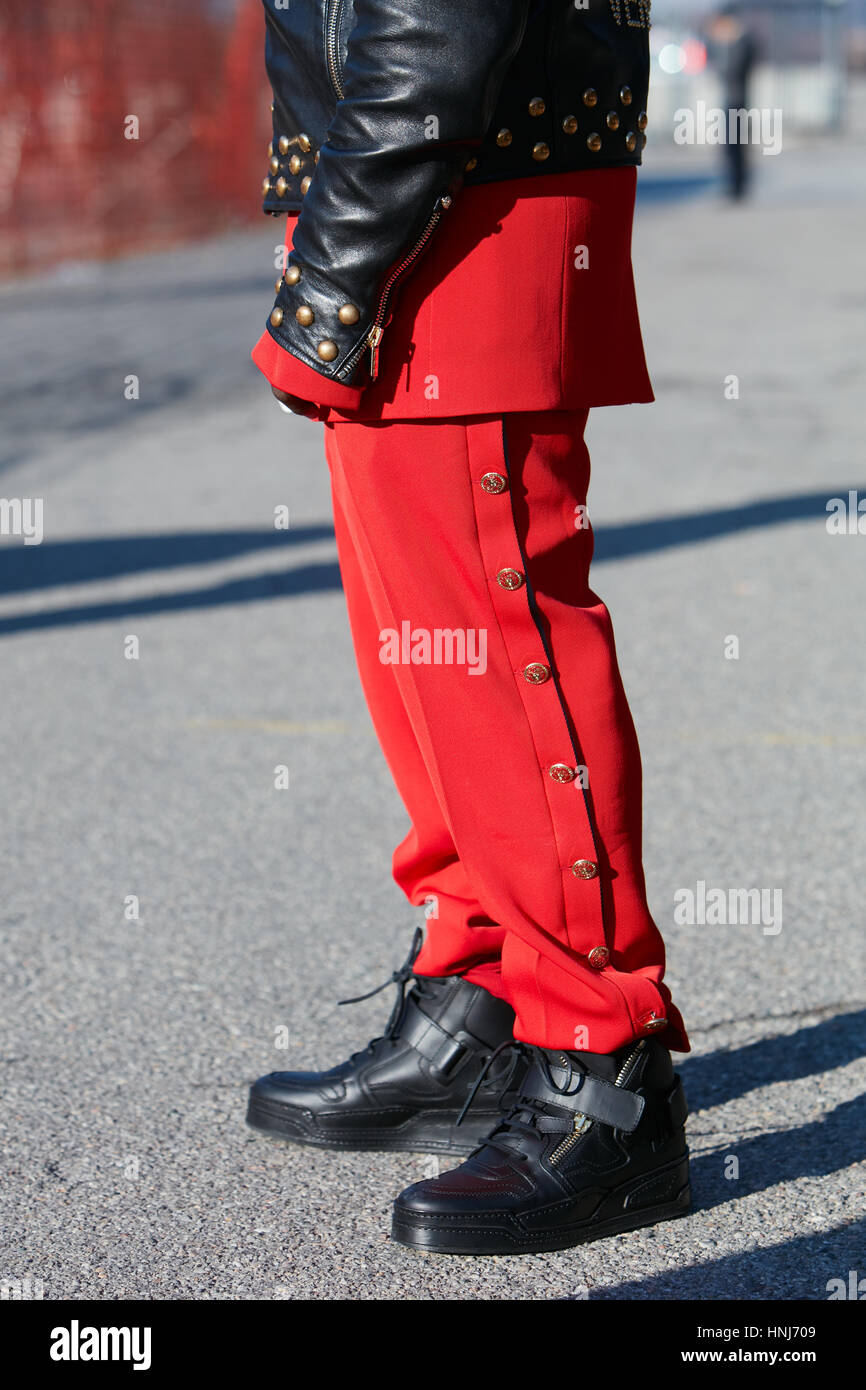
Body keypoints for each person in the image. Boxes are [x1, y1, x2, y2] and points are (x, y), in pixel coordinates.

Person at [246, 0, 690, 1257]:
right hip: (412, 164)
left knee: (497, 640)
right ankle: (481, 990)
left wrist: (344, 253)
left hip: (456, 179)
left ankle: (602, 1068)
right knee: (423, 652)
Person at [705, 5, 760, 200]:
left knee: (739, 144)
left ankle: (740, 185)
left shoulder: (743, 42)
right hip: (729, 100)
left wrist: (731, 42)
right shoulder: (724, 44)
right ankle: (732, 183)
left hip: (740, 101)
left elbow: (735, 69)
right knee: (729, 145)